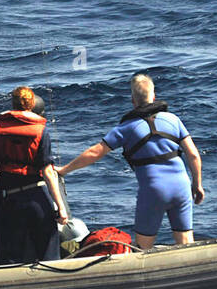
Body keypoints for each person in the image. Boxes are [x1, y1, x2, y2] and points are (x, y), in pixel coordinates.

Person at [58, 73, 204, 250]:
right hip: (181, 186)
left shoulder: (126, 128)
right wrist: (197, 185)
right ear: (154, 96)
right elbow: (194, 155)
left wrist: (64, 169)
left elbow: (95, 152)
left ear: (133, 101)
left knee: (143, 247)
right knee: (186, 242)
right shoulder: (173, 119)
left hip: (153, 190)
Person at [0, 86, 70, 263]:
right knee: (49, 256)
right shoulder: (40, 131)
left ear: (13, 105)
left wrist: (3, 185)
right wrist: (61, 207)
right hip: (37, 198)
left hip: (10, 201)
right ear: (32, 105)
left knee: (9, 259)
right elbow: (48, 172)